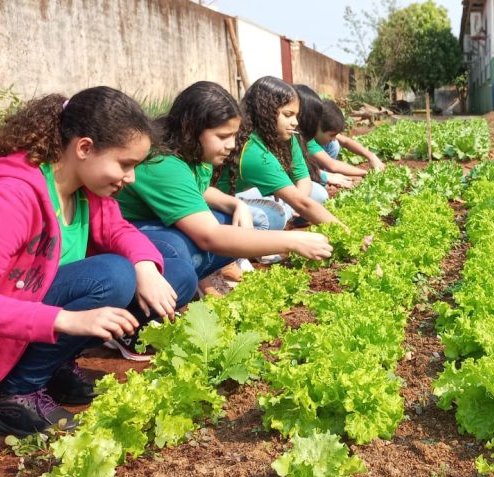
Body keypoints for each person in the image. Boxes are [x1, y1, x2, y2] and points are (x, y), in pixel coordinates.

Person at [0, 87, 196, 436]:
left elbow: (121, 231)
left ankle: (52, 366)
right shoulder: (11, 195)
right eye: (125, 164)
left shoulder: (86, 189)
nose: (131, 178)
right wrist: (66, 319)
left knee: (176, 273)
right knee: (113, 275)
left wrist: (144, 266)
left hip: (34, 318)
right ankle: (12, 392)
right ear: (85, 148)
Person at [115, 81, 332, 357]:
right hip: (122, 243)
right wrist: (292, 240)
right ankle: (132, 323)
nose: (231, 145)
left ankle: (191, 287)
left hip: (148, 231)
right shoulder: (165, 165)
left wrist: (235, 205)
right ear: (191, 130)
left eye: (233, 135)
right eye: (222, 136)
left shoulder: (197, 154)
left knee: (226, 222)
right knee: (179, 253)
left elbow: (200, 190)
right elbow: (210, 237)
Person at [215, 77, 343, 226]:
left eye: (296, 115)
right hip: (226, 199)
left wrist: (295, 203)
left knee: (318, 194)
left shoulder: (288, 136)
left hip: (257, 190)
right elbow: (303, 204)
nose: (295, 122)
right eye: (288, 115)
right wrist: (347, 234)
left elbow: (303, 178)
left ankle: (286, 211)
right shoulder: (253, 151)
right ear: (266, 113)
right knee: (272, 216)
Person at [310, 99, 386, 174]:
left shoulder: (320, 132)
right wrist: (366, 173)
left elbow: (346, 142)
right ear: (317, 127)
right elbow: (333, 165)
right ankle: (320, 175)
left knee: (334, 144)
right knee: (334, 144)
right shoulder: (307, 139)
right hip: (305, 175)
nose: (333, 139)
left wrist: (371, 156)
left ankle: (324, 173)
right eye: (332, 135)